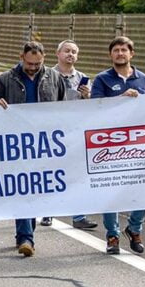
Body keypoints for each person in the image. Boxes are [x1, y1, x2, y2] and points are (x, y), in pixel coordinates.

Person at [90, 36, 145, 255]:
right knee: (110, 191)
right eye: (116, 50)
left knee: (144, 188)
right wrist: (121, 97)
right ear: (111, 55)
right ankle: (112, 235)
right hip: (109, 145)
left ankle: (135, 228)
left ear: (132, 54)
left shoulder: (144, 80)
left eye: (124, 50)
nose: (120, 53)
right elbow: (94, 108)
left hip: (139, 144)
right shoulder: (102, 79)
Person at [0, 41, 67, 258]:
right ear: (21, 57)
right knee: (22, 188)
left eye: (37, 63)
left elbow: (63, 107)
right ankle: (26, 237)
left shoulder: (54, 77)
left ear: (44, 58)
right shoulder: (6, 78)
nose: (33, 67)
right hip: (16, 143)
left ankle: (26, 229)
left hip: (44, 143)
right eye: (29, 63)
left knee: (36, 190)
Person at [42, 40, 97, 229]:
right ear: (58, 54)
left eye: (74, 52)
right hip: (52, 131)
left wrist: (87, 96)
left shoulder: (82, 78)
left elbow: (90, 108)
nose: (70, 54)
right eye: (67, 51)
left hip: (74, 131)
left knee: (76, 174)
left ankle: (79, 216)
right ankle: (47, 212)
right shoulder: (46, 76)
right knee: (51, 173)